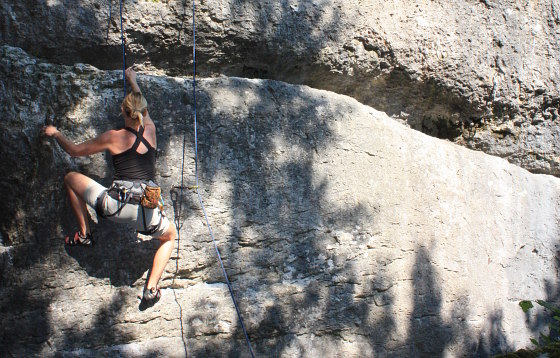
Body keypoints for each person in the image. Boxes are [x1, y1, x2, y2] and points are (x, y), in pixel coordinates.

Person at [42, 68, 176, 304]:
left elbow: (74, 151)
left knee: (71, 179)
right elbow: (143, 108)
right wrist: (133, 81)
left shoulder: (113, 137)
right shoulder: (151, 130)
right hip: (146, 215)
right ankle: (151, 289)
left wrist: (56, 133)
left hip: (114, 207)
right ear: (142, 112)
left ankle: (84, 234)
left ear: (123, 112)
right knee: (171, 236)